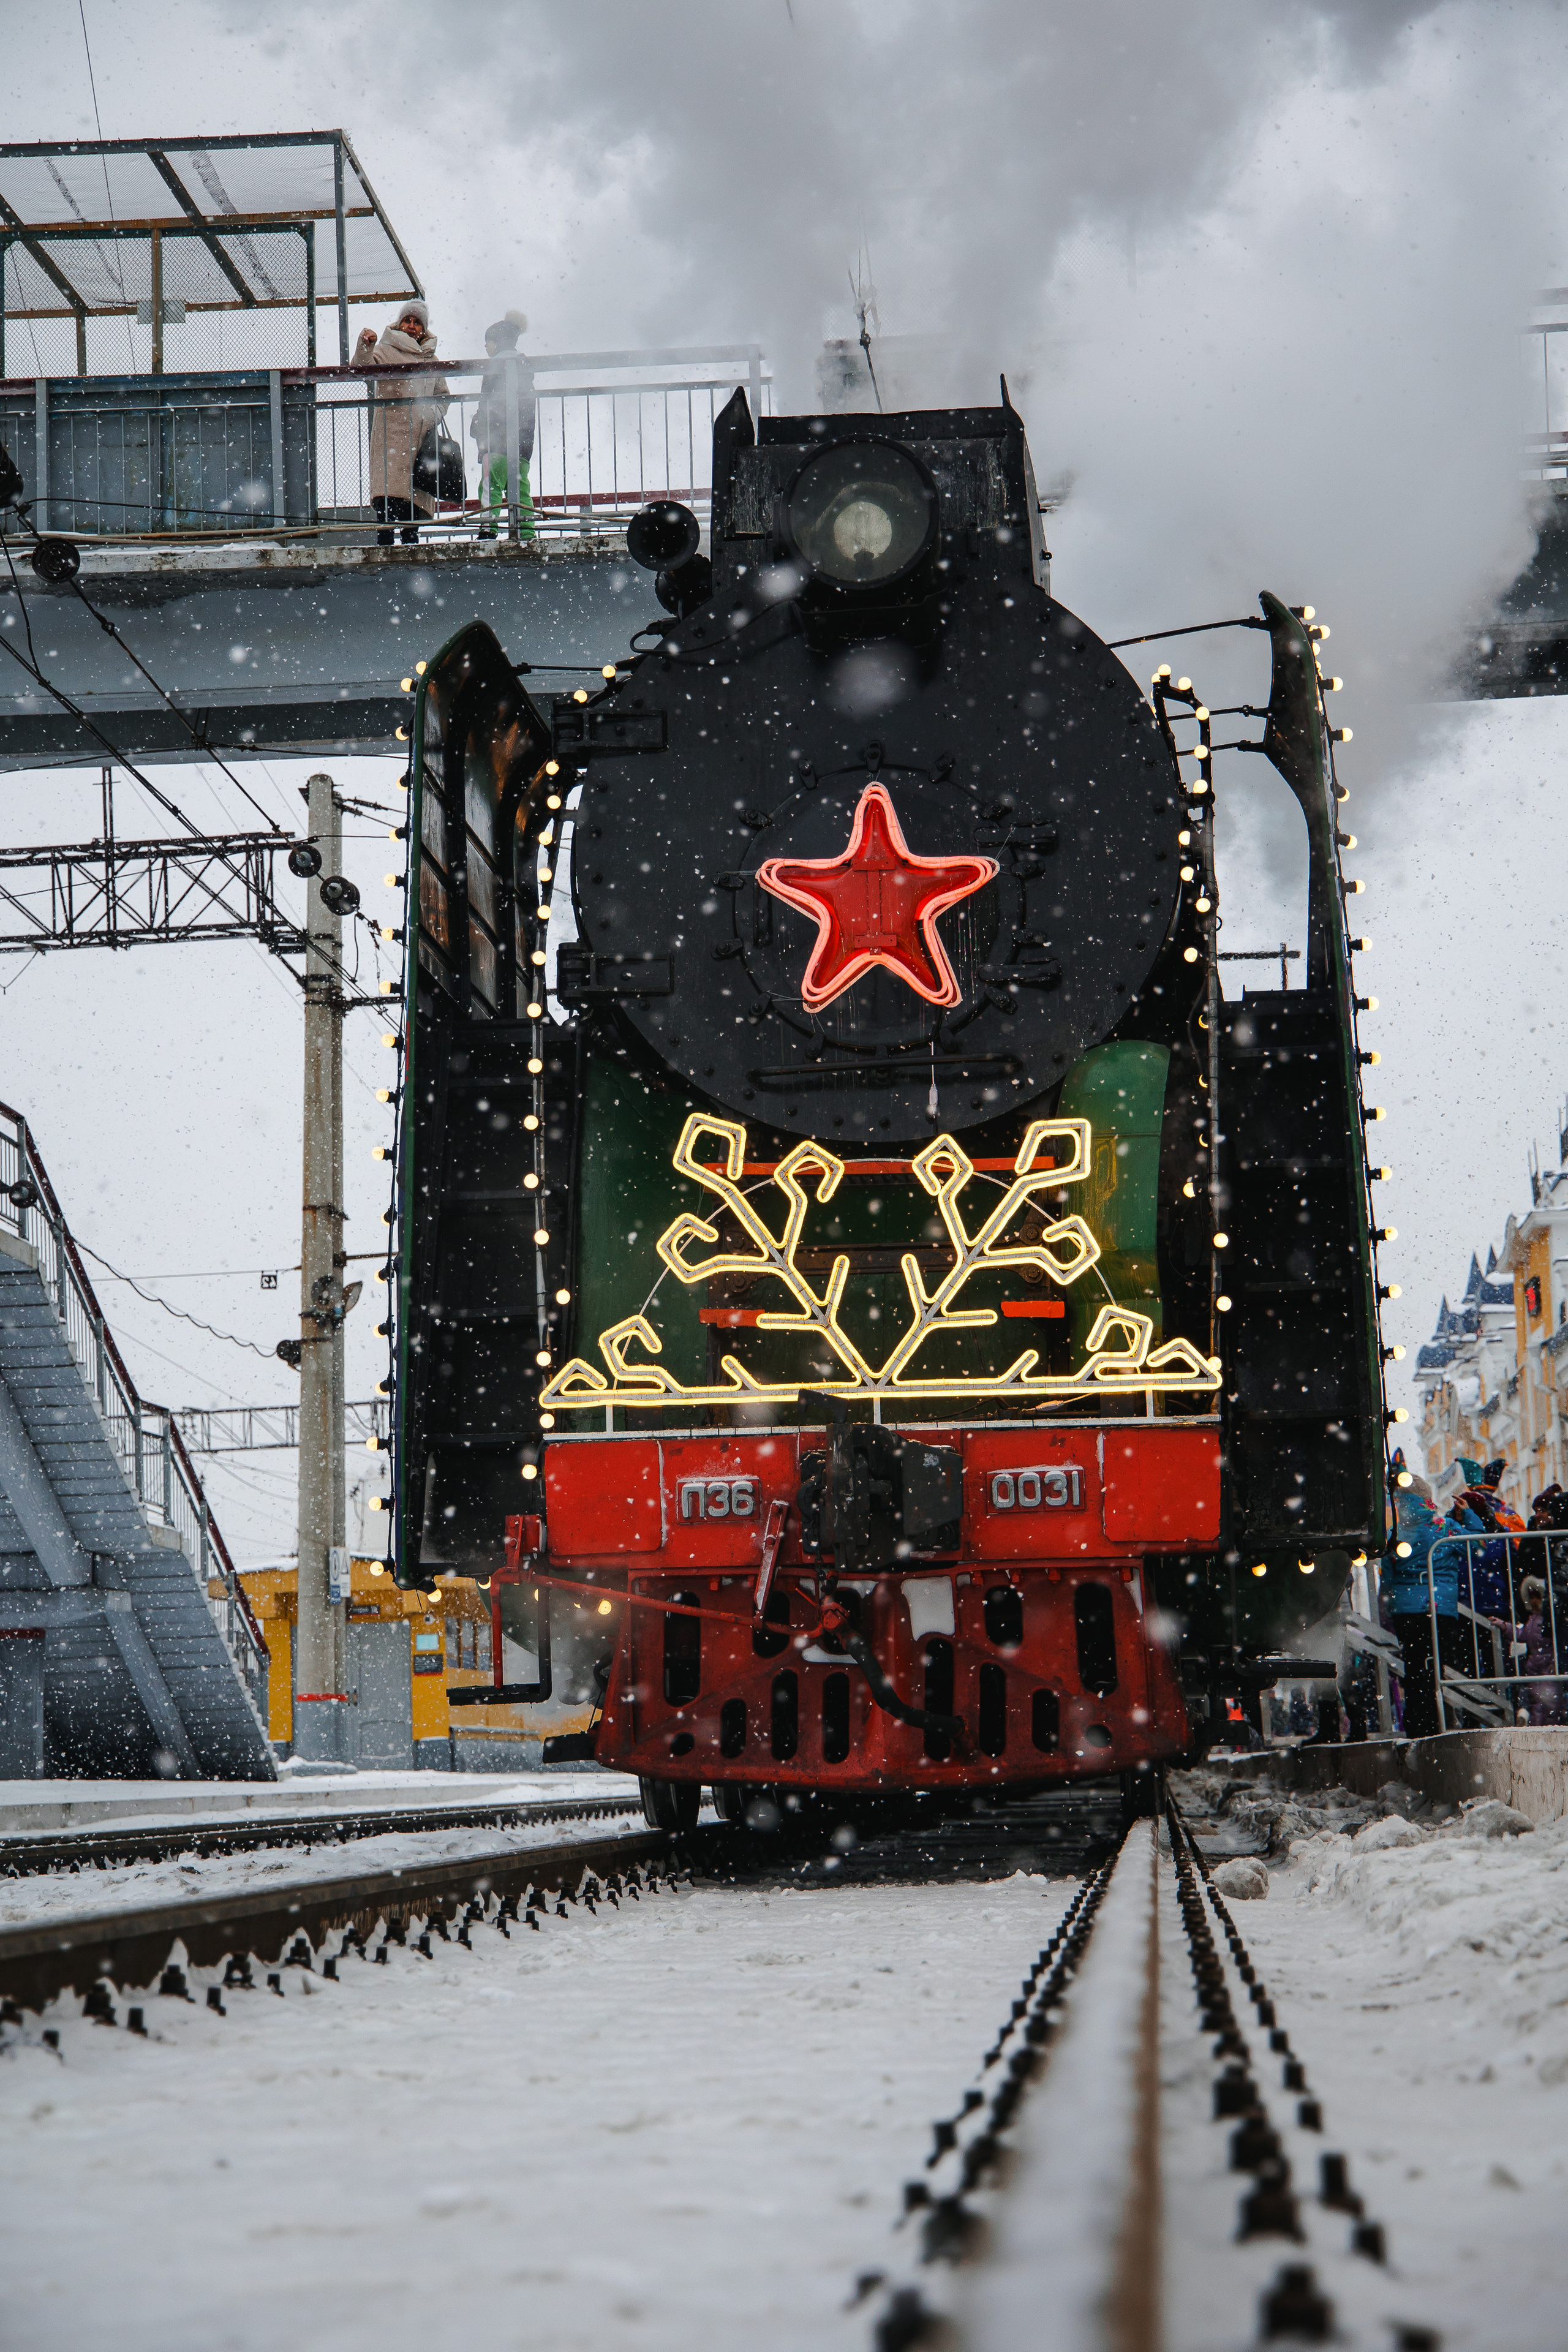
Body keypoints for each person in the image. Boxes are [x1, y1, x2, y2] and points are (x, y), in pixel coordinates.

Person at [353, 301, 452, 546]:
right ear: (399, 323)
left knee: (412, 502)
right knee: (389, 500)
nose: (411, 326)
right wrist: (367, 345)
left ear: (424, 329)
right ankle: (385, 550)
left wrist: (430, 414)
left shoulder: (432, 359)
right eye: (407, 320)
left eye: (417, 322)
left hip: (420, 439)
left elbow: (444, 397)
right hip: (391, 436)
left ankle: (409, 549)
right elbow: (360, 367)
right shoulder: (386, 351)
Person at [1381, 1463, 1466, 1739]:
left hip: (1407, 1610)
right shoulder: (1444, 1527)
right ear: (1426, 1497)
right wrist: (1472, 1516)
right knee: (1437, 1665)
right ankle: (1438, 1720)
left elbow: (1388, 1578)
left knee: (1414, 1667)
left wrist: (1390, 1609)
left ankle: (1417, 1724)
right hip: (1440, 1608)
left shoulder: (1394, 1531)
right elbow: (1477, 1543)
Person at [470, 311, 535, 540]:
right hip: (523, 443)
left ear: (498, 343)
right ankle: (527, 531)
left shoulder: (495, 367)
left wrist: (479, 426)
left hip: (496, 440)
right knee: (521, 489)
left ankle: (489, 526)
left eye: (489, 341)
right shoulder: (524, 368)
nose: (486, 346)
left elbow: (486, 403)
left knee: (491, 485)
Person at [1513, 1575, 1564, 1725]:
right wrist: (1504, 1626)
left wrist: (1556, 1661)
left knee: (1550, 1706)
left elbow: (1558, 1642)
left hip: (1548, 1667)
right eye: (1532, 1597)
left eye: (1538, 1597)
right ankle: (1536, 1728)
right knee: (1538, 1703)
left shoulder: (1552, 1620)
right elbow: (1521, 1634)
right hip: (1537, 1668)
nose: (1535, 1601)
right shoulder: (1532, 1620)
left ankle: (1548, 1731)